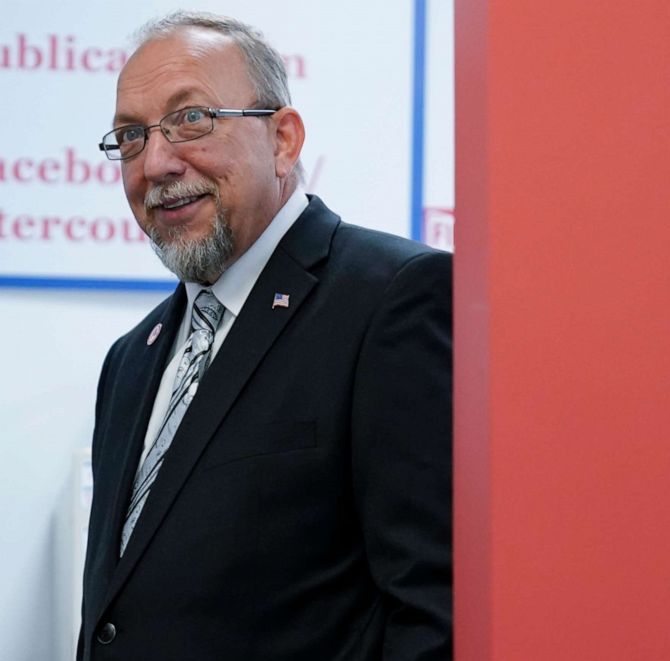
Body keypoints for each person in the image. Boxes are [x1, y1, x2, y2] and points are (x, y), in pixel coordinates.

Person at [78, 11, 452, 661]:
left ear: (283, 139)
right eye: (131, 136)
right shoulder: (129, 361)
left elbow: (433, 608)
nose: (157, 162)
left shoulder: (392, 299)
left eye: (190, 118)